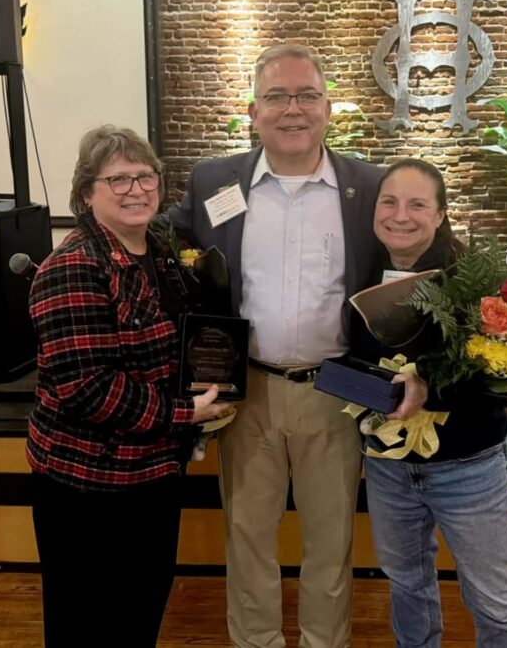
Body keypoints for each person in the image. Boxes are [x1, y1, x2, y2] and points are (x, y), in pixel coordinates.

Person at [167, 44, 384, 648]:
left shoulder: (366, 187)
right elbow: (161, 239)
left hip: (335, 391)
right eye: (277, 96)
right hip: (245, 393)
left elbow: (420, 248)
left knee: (331, 542)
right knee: (247, 538)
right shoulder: (215, 181)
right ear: (253, 111)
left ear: (328, 108)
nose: (293, 109)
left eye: (307, 95)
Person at [26, 125, 233, 647]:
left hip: (152, 474)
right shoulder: (73, 266)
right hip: (87, 485)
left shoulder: (160, 253)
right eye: (118, 179)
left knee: (138, 613)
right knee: (88, 622)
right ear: (86, 193)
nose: (136, 189)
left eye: (146, 176)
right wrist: (187, 412)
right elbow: (89, 390)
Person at [352, 158, 507, 647]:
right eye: (388, 202)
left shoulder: (476, 282)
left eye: (417, 204)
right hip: (390, 467)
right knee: (408, 587)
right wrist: (378, 393)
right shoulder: (359, 272)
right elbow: (348, 366)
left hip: (468, 466)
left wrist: (432, 382)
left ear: (440, 214)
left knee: (494, 600)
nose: (400, 215)